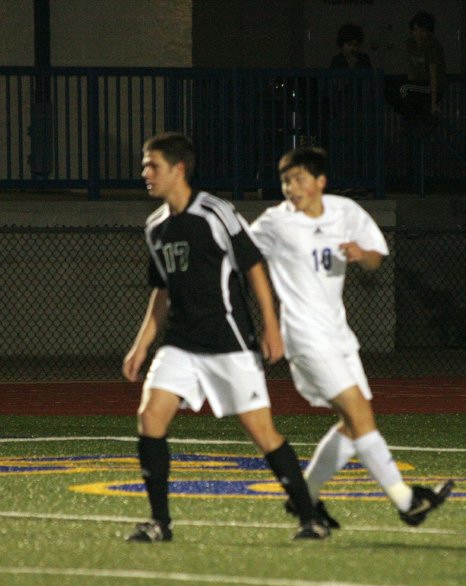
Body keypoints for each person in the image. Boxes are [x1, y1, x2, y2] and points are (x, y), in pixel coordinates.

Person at [122, 132, 328, 542]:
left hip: (228, 342)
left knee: (262, 432)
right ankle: (159, 522)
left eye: (153, 165)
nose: (145, 173)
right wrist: (142, 344)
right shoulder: (155, 227)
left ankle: (311, 518)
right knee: (150, 417)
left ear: (178, 169)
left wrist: (271, 327)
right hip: (180, 343)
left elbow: (253, 267)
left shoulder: (215, 212)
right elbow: (161, 292)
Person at [250, 146, 453, 528]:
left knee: (351, 422)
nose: (291, 187)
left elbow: (376, 259)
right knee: (360, 416)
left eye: (298, 179)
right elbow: (244, 257)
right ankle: (407, 501)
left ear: (320, 182)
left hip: (339, 334)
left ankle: (304, 498)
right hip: (305, 337)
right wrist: (270, 324)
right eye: (285, 181)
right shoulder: (274, 222)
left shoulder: (346, 212)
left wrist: (362, 254)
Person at [402, 10, 447, 118]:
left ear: (429, 32)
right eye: (415, 30)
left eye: (422, 31)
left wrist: (434, 101)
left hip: (432, 86)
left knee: (403, 89)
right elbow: (412, 68)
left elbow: (433, 74)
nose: (418, 34)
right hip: (418, 84)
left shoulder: (433, 45)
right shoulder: (410, 43)